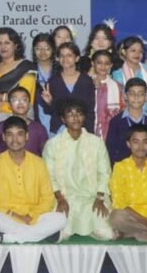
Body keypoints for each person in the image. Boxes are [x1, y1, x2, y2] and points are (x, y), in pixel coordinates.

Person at [0, 116, 66, 243]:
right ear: (4, 137)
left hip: (34, 216)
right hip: (8, 216)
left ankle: (7, 238)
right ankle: (37, 234)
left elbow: (48, 199)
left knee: (61, 218)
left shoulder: (39, 163)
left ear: (27, 136)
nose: (15, 139)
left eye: (19, 134)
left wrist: (31, 215)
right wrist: (14, 215)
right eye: (10, 135)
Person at [42, 99, 113, 241]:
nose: (75, 117)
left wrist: (100, 198)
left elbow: (104, 173)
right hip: (64, 198)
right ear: (63, 119)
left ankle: (86, 227)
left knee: (107, 235)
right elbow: (49, 176)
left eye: (79, 113)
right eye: (70, 114)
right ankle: (72, 228)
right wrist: (60, 199)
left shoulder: (96, 143)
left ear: (84, 117)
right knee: (59, 235)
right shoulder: (52, 144)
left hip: (91, 199)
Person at [0, 27, 37, 121]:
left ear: (16, 46)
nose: (3, 47)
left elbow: (23, 97)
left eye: (7, 43)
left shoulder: (26, 67)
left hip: (19, 117)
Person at [39, 42, 96, 135]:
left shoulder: (86, 81)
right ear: (58, 59)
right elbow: (49, 111)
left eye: (69, 55)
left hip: (82, 131)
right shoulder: (53, 82)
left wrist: (89, 133)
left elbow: (90, 110)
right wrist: (49, 103)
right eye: (62, 56)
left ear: (77, 58)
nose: (65, 59)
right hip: (59, 131)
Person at [107, 78, 147, 164]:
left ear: (146, 97)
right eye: (132, 94)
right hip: (124, 169)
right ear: (125, 96)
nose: (136, 97)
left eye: (140, 94)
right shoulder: (116, 122)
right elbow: (111, 152)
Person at [0, 87, 49, 156]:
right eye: (15, 100)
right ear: (9, 105)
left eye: (24, 100)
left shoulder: (39, 129)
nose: (20, 103)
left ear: (29, 104)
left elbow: (45, 154)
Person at [112, 36, 147, 118]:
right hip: (128, 119)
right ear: (124, 52)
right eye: (133, 51)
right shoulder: (117, 74)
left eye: (140, 51)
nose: (137, 54)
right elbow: (121, 101)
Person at [91, 49, 123, 141]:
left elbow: (122, 109)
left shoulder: (118, 86)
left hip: (112, 130)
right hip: (91, 128)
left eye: (107, 63)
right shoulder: (87, 83)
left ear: (111, 65)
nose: (103, 66)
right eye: (99, 63)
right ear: (93, 63)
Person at [31, 33, 56, 131]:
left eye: (47, 48)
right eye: (38, 48)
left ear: (53, 49)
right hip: (36, 117)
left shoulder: (60, 70)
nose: (42, 52)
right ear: (33, 50)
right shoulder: (28, 70)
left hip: (57, 118)